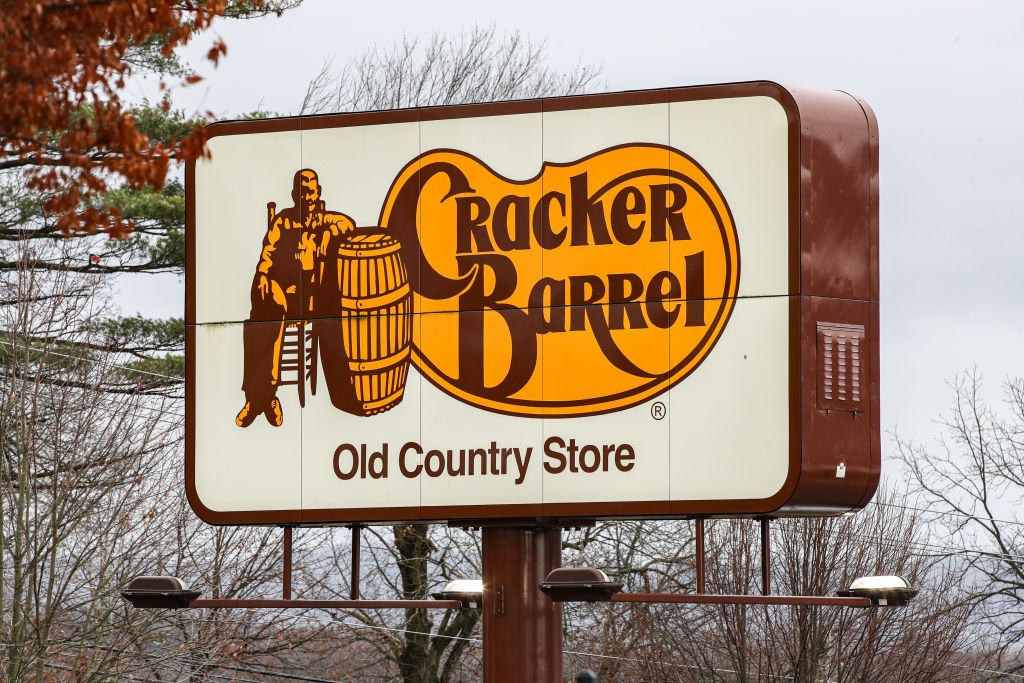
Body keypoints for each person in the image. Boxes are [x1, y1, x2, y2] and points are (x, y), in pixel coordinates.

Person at [236, 169, 354, 427]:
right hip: (280, 295)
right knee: (259, 318)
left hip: (309, 301)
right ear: (293, 195)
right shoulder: (282, 221)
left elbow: (348, 224)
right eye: (302, 192)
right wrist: (264, 277)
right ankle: (262, 398)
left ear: (318, 193)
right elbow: (266, 255)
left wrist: (327, 234)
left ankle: (261, 399)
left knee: (266, 319)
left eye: (311, 191)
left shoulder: (327, 221)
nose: (307, 197)